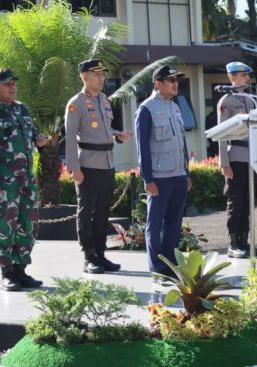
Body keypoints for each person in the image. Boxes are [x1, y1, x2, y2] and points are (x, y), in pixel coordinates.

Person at [0, 68, 49, 291]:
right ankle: (7, 273)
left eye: (14, 83)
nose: (12, 87)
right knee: (3, 225)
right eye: (7, 84)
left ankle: (21, 270)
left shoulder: (22, 109)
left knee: (29, 225)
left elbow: (33, 134)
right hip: (3, 182)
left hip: (26, 180)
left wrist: (40, 140)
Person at [64, 59, 133, 274]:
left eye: (103, 74)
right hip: (87, 165)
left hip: (107, 162)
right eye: (97, 75)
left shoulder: (104, 100)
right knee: (86, 212)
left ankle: (101, 255)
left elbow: (105, 130)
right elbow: (69, 138)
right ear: (85, 77)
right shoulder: (76, 103)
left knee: (103, 211)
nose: (102, 78)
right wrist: (74, 169)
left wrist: (118, 136)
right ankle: (89, 257)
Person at [134, 65, 191, 280]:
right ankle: (157, 267)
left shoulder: (175, 107)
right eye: (170, 80)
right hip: (159, 177)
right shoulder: (146, 108)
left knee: (174, 223)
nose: (175, 84)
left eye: (177, 80)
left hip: (177, 175)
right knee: (155, 223)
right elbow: (142, 147)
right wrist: (147, 179)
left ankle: (171, 263)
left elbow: (182, 144)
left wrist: (186, 173)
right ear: (158, 84)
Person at [217, 61, 257, 258]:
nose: (246, 78)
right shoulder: (226, 102)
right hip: (235, 155)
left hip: (252, 157)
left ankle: (245, 241)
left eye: (247, 75)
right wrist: (224, 163)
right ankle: (233, 243)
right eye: (242, 75)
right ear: (231, 77)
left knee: (248, 201)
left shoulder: (251, 101)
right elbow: (221, 134)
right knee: (235, 201)